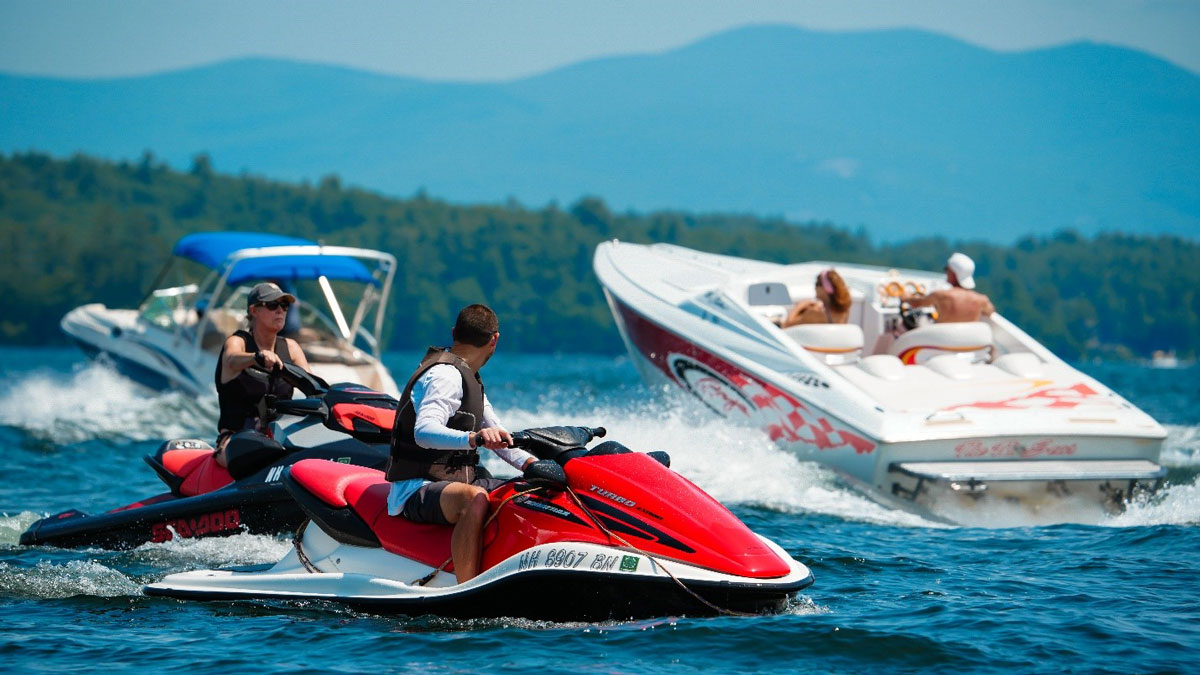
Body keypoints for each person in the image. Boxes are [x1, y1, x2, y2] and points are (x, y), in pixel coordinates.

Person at [385, 304, 535, 583]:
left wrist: (535, 466)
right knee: (473, 499)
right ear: (495, 339)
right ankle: (466, 586)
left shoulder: (469, 378)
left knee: (525, 492)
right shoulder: (445, 376)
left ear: (455, 333)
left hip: (451, 482)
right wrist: (473, 439)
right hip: (416, 487)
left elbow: (499, 435)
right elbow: (424, 431)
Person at [214, 282, 312, 466]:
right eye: (272, 305)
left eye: (284, 306)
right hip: (235, 442)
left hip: (279, 438)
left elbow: (313, 386)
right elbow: (232, 360)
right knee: (255, 453)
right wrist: (256, 358)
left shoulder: (291, 348)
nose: (280, 311)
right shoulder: (238, 342)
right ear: (254, 310)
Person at [901, 252, 995, 323]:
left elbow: (916, 303)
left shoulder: (941, 295)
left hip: (942, 344)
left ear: (953, 274)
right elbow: (990, 311)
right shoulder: (982, 300)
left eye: (947, 269)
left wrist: (905, 297)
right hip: (969, 344)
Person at [779, 268, 852, 328]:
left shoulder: (816, 313)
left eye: (817, 284)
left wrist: (800, 306)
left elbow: (786, 325)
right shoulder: (844, 312)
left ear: (825, 289)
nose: (815, 287)